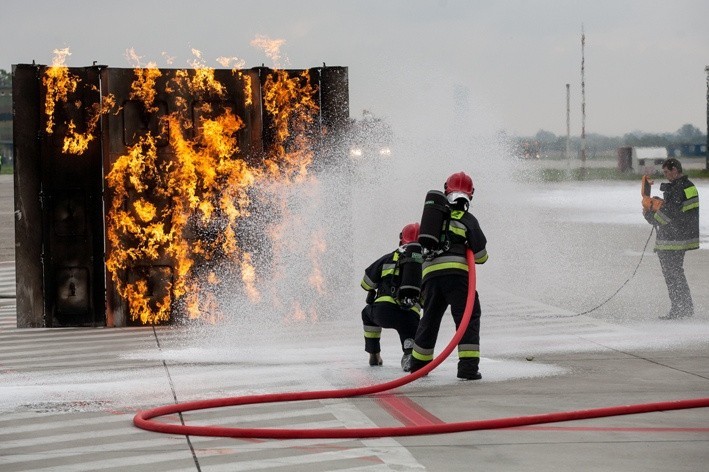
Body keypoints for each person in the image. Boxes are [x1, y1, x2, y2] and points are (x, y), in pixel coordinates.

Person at [410, 171, 488, 380]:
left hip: (430, 276)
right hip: (457, 277)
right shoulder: (467, 219)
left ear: (447, 191)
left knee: (430, 319)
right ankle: (468, 368)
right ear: (470, 196)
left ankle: (418, 365)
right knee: (467, 317)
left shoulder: (434, 220)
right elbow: (480, 256)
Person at [360, 223, 422, 371]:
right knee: (408, 331)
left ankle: (374, 354)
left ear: (401, 239)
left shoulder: (387, 258)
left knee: (366, 313)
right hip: (410, 313)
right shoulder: (423, 260)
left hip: (384, 311)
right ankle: (408, 352)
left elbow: (366, 283)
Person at [643, 158, 699, 319]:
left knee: (673, 276)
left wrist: (650, 215)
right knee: (676, 274)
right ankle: (684, 308)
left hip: (673, 240)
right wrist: (661, 205)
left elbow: (669, 214)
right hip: (682, 237)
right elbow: (679, 210)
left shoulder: (678, 188)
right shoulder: (688, 187)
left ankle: (680, 309)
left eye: (667, 172)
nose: (666, 175)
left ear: (675, 170)